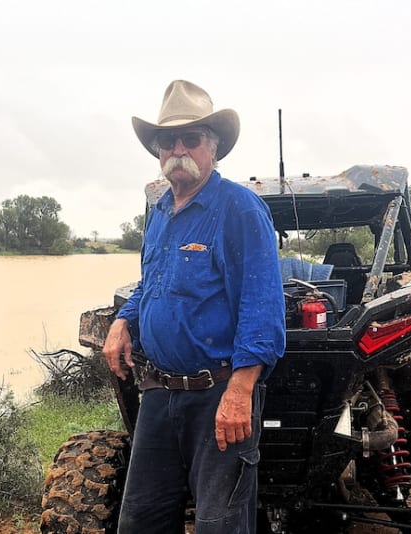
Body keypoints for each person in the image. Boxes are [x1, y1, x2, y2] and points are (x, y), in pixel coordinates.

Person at [102, 80, 286, 534]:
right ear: (158, 150)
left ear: (214, 147)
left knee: (219, 525)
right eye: (168, 140)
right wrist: (124, 319)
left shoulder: (240, 209)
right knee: (140, 521)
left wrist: (240, 392)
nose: (178, 149)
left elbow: (262, 308)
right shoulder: (160, 211)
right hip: (159, 392)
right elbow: (153, 284)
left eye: (192, 138)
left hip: (217, 394)